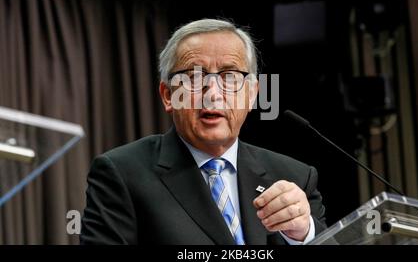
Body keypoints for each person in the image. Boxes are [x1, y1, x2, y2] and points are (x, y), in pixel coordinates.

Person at [80, 19, 326, 245]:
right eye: (194, 77)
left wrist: (304, 236)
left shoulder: (294, 176)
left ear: (251, 95)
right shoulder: (122, 173)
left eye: (230, 77)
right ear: (168, 96)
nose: (213, 95)